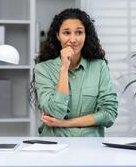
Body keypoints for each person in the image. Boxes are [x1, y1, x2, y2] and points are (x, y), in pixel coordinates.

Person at [33, 8, 118, 137]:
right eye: (66, 33)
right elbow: (56, 112)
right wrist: (63, 69)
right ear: (58, 35)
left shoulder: (99, 67)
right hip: (54, 145)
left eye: (78, 32)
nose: (73, 39)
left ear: (85, 35)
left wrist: (64, 124)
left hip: (90, 146)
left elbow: (109, 115)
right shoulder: (42, 69)